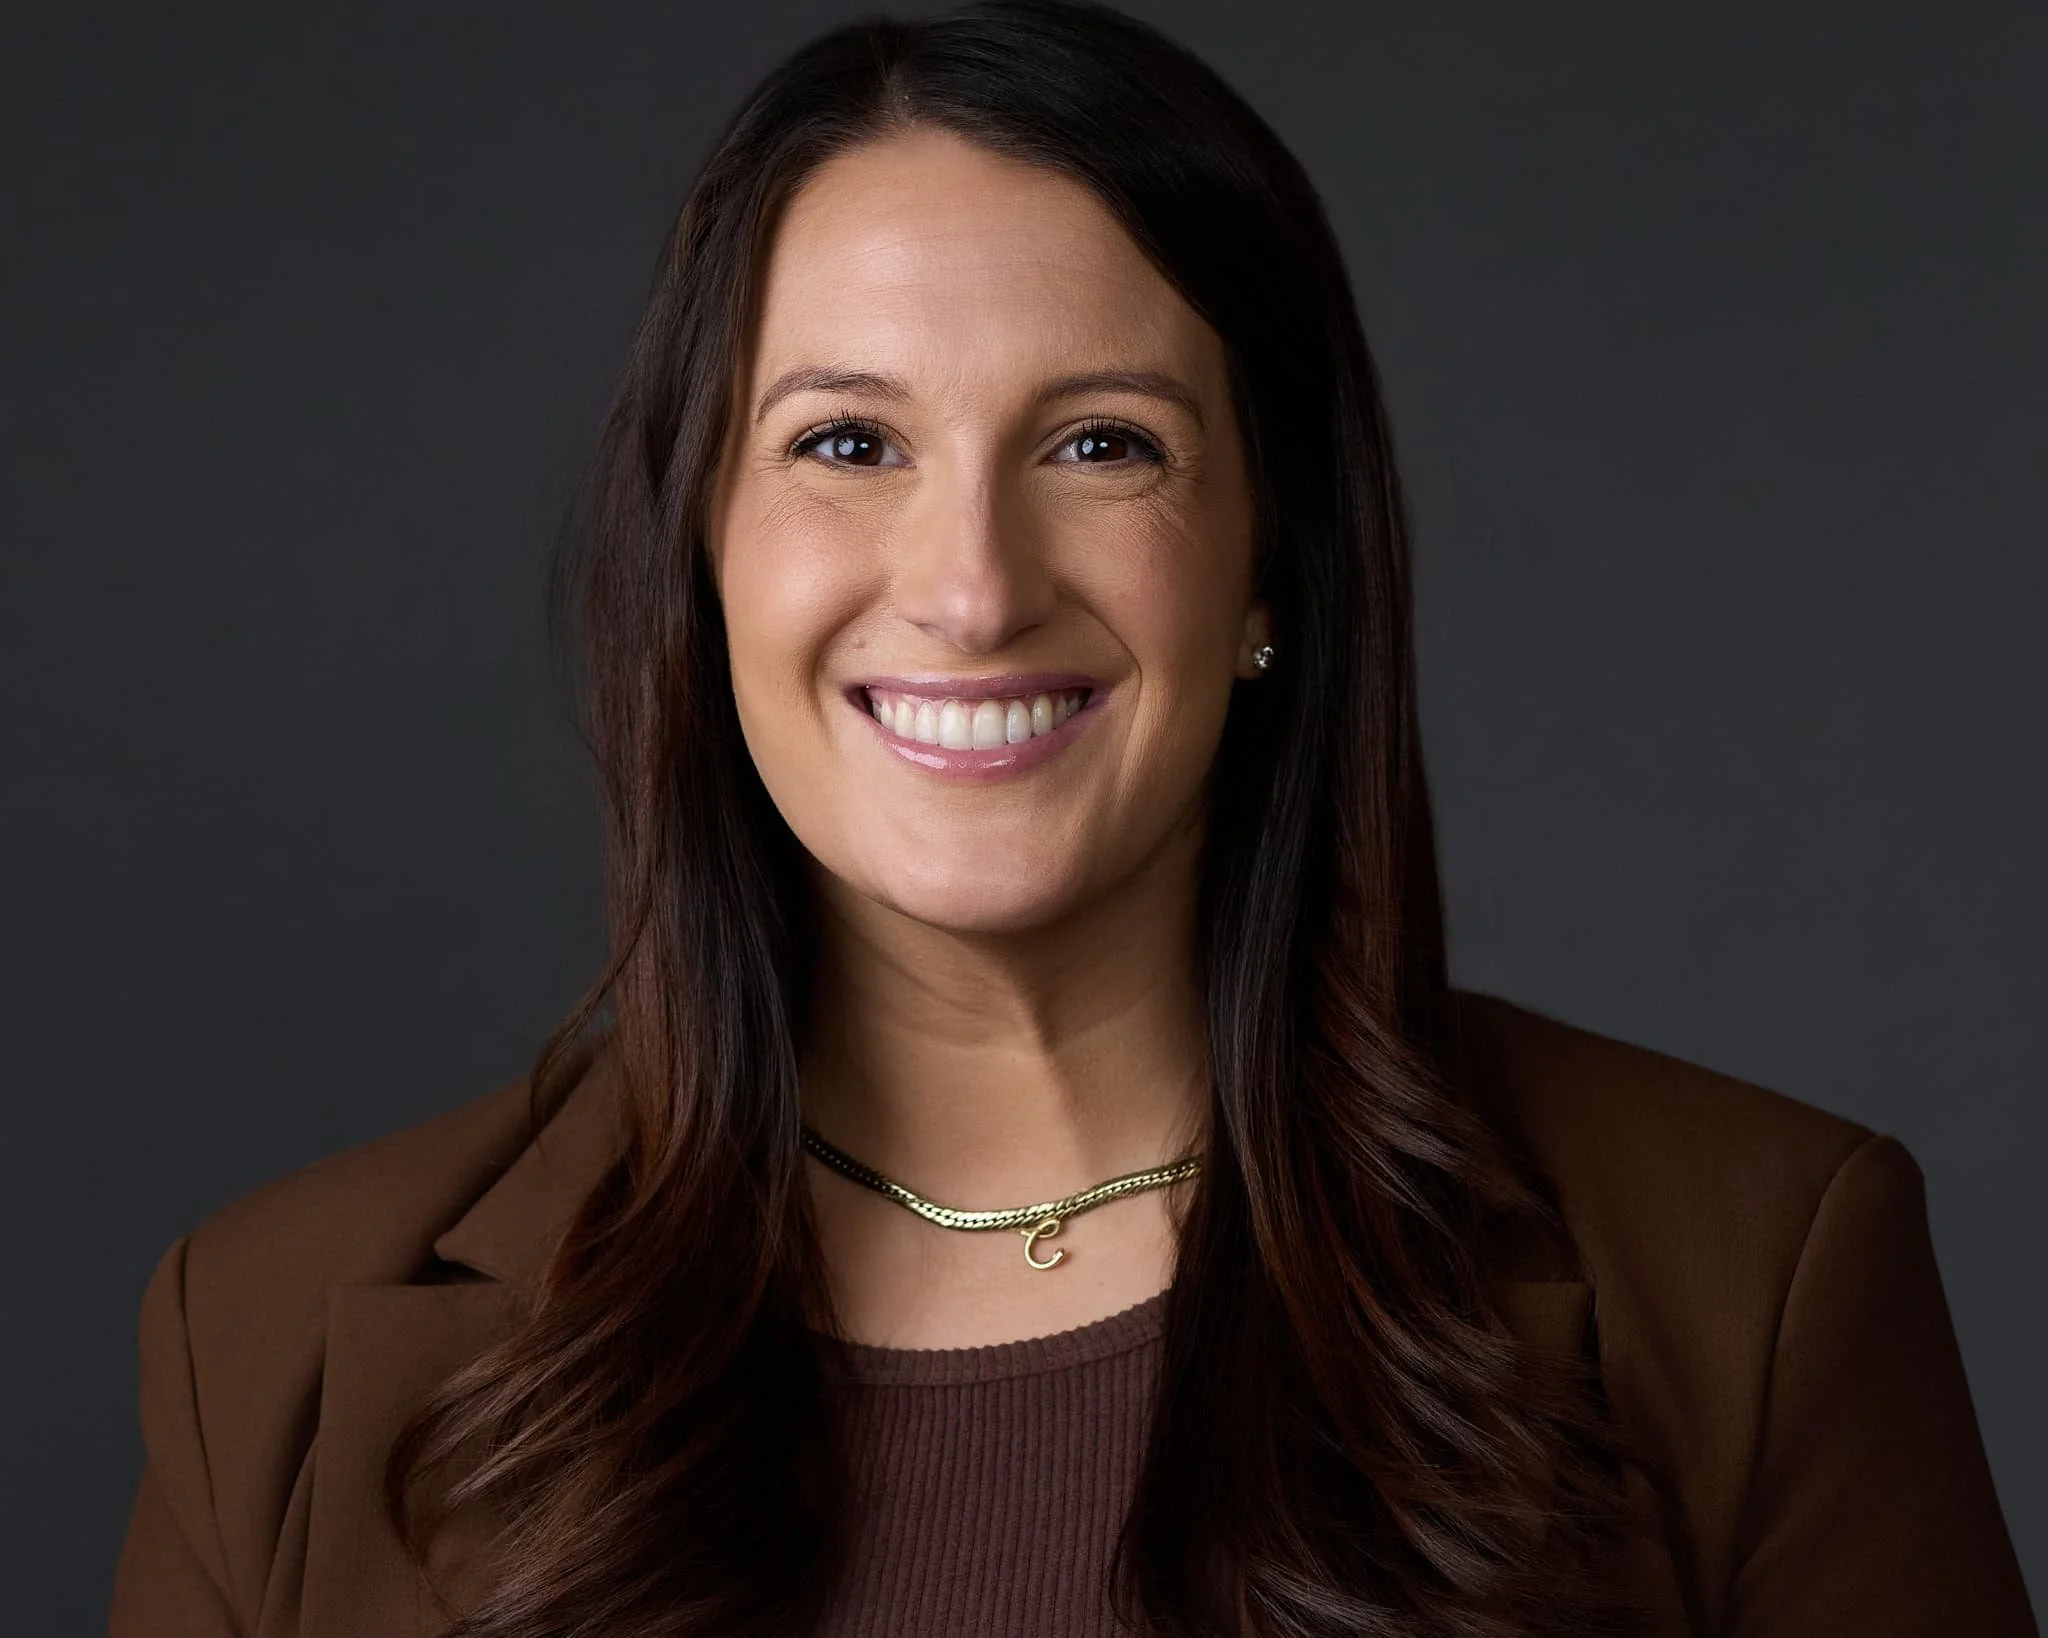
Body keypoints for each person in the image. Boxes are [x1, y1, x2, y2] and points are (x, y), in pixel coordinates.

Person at [107, 3, 2035, 1635]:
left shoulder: (1762, 1272)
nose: (968, 583)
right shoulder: (263, 1339)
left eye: (1104, 443)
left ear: (1273, 566)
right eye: (846, 444)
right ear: (699, 559)